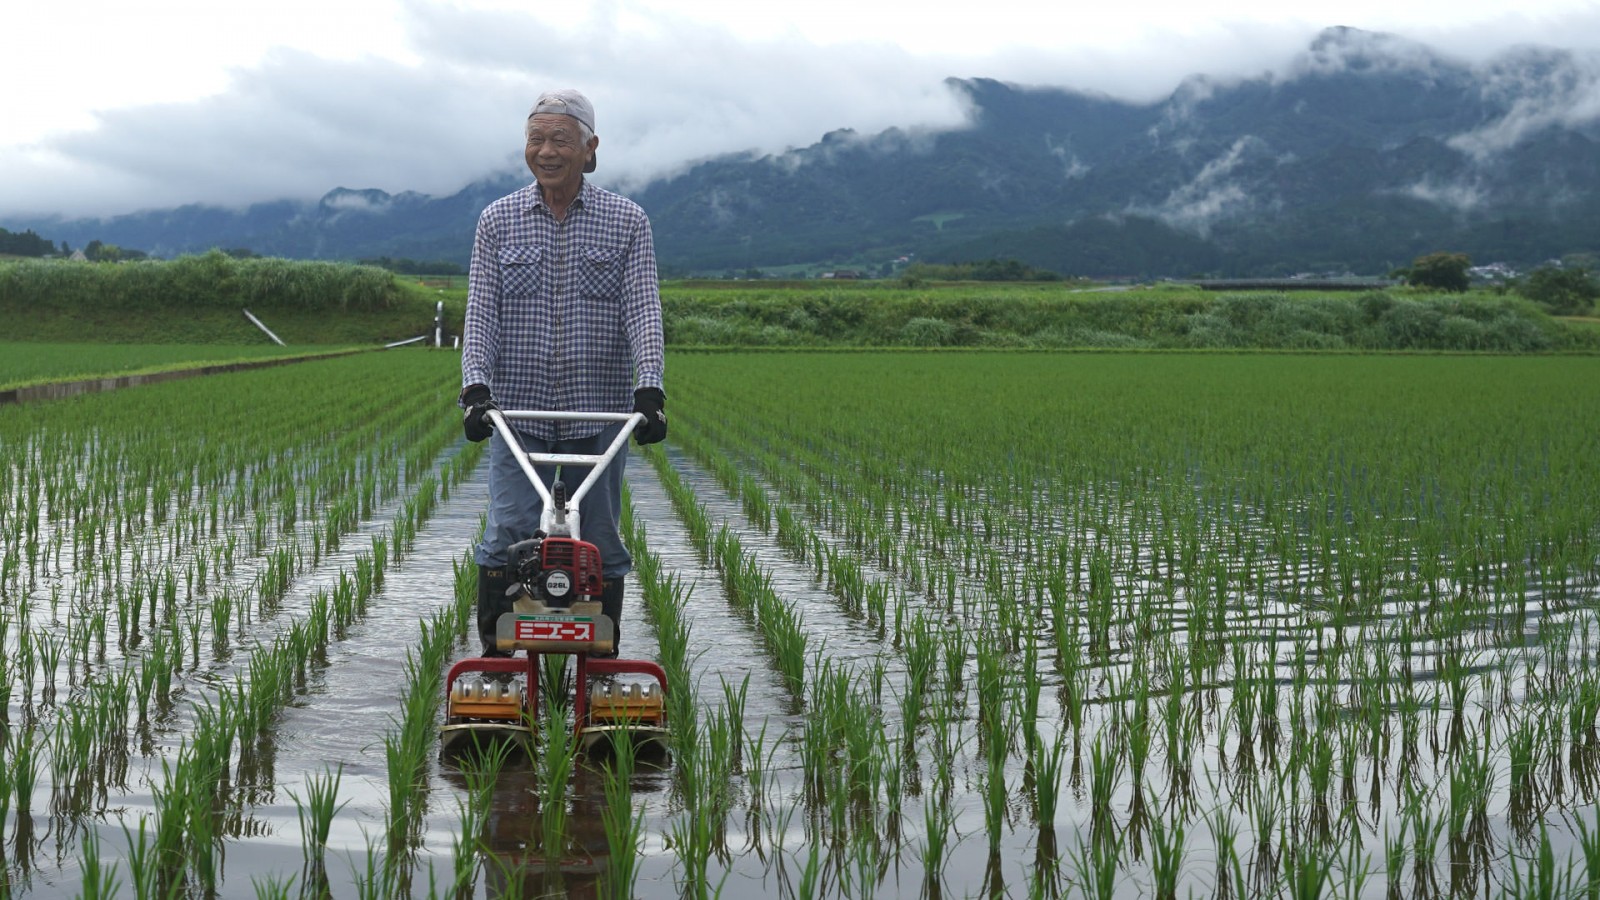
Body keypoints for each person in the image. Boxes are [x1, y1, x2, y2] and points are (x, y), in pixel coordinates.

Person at [459, 88, 666, 659]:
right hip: (518, 410)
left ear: (589, 149)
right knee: (507, 533)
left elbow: (642, 308)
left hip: (598, 408)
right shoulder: (497, 220)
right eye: (536, 139)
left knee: (598, 538)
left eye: (559, 139)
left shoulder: (627, 221)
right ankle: (497, 663)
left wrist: (649, 389)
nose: (545, 151)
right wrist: (475, 388)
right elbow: (481, 311)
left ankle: (600, 661)